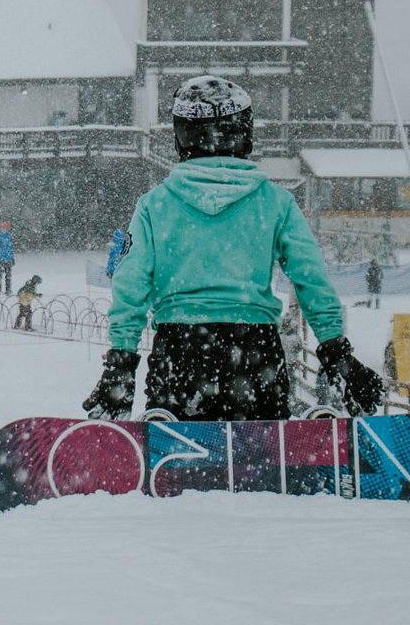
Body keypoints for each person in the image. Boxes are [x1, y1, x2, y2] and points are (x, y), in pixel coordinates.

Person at [83, 75, 384, 423]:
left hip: (181, 351)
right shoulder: (275, 203)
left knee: (178, 463)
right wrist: (334, 348)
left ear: (182, 136)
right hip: (255, 352)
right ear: (245, 133)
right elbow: (311, 279)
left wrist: (121, 361)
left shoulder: (155, 206)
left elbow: (130, 286)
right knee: (262, 461)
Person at [0, 222, 14, 294]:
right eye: (2, 228)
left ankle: (8, 289)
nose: (4, 229)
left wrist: (12, 258)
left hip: (8, 259)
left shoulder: (9, 236)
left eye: (5, 228)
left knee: (8, 275)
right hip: (1, 259)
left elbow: (11, 248)